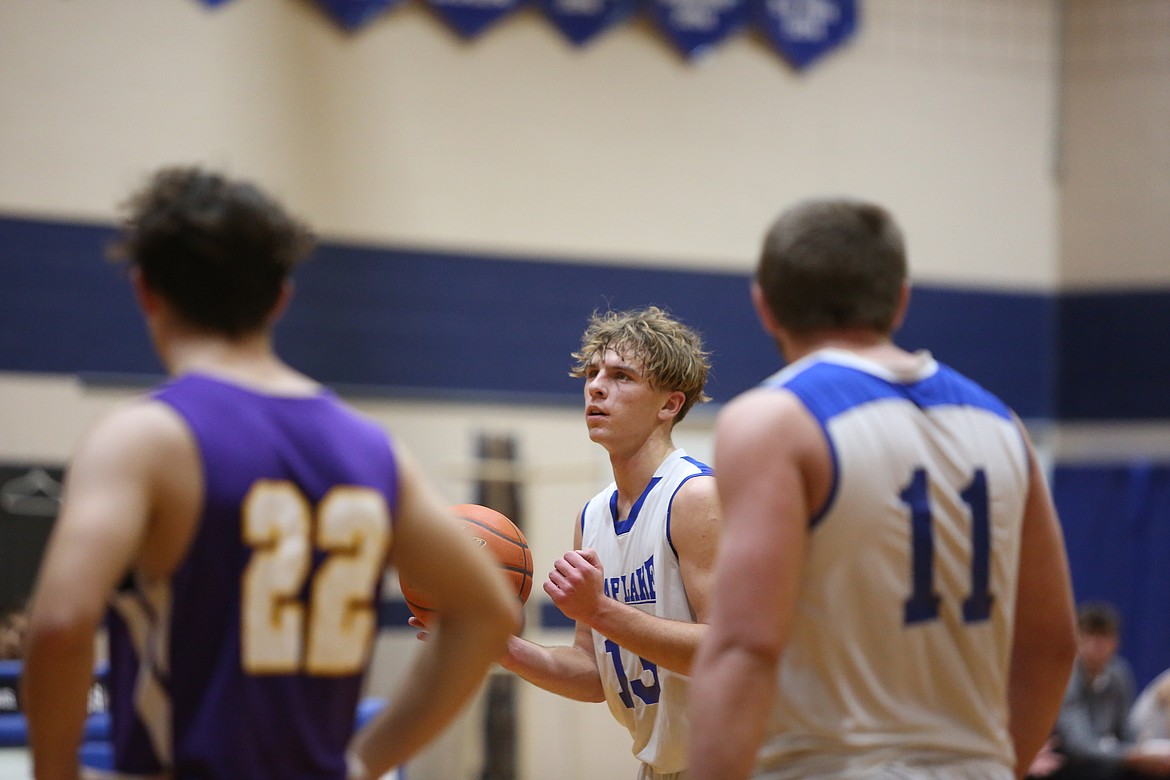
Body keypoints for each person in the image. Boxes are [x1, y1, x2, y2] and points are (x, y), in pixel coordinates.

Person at [21, 165, 519, 780]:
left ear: (144, 289)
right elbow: (489, 612)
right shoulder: (373, 449)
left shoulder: (143, 438)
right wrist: (365, 764)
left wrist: (52, 772)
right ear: (281, 297)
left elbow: (60, 625)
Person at [688, 197, 1078, 780]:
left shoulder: (774, 419)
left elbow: (745, 648)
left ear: (764, 307)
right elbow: (1052, 646)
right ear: (900, 298)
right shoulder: (1004, 425)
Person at [500, 306, 720, 779]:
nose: (596, 386)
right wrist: (501, 648)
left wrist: (597, 609)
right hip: (661, 766)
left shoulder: (696, 498)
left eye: (622, 376)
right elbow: (593, 672)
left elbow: (724, 650)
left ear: (669, 405)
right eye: (593, 372)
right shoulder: (592, 516)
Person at [1033, 602, 1170, 779]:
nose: (1096, 645)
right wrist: (1131, 756)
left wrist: (1144, 753)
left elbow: (1126, 732)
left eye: (1103, 638)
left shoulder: (1119, 674)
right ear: (1076, 639)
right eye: (1089, 636)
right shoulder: (1066, 676)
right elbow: (1078, 746)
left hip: (1106, 759)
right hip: (1066, 763)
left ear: (1115, 642)